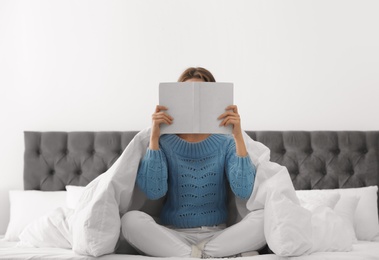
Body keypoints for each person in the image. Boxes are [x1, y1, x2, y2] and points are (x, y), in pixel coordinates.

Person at [122, 67, 265, 258]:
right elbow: (153, 191)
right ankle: (208, 255)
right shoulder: (165, 142)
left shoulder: (226, 142)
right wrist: (154, 137)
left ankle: (192, 255)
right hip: (173, 235)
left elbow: (244, 189)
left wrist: (238, 135)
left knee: (266, 218)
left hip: (217, 235)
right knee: (130, 220)